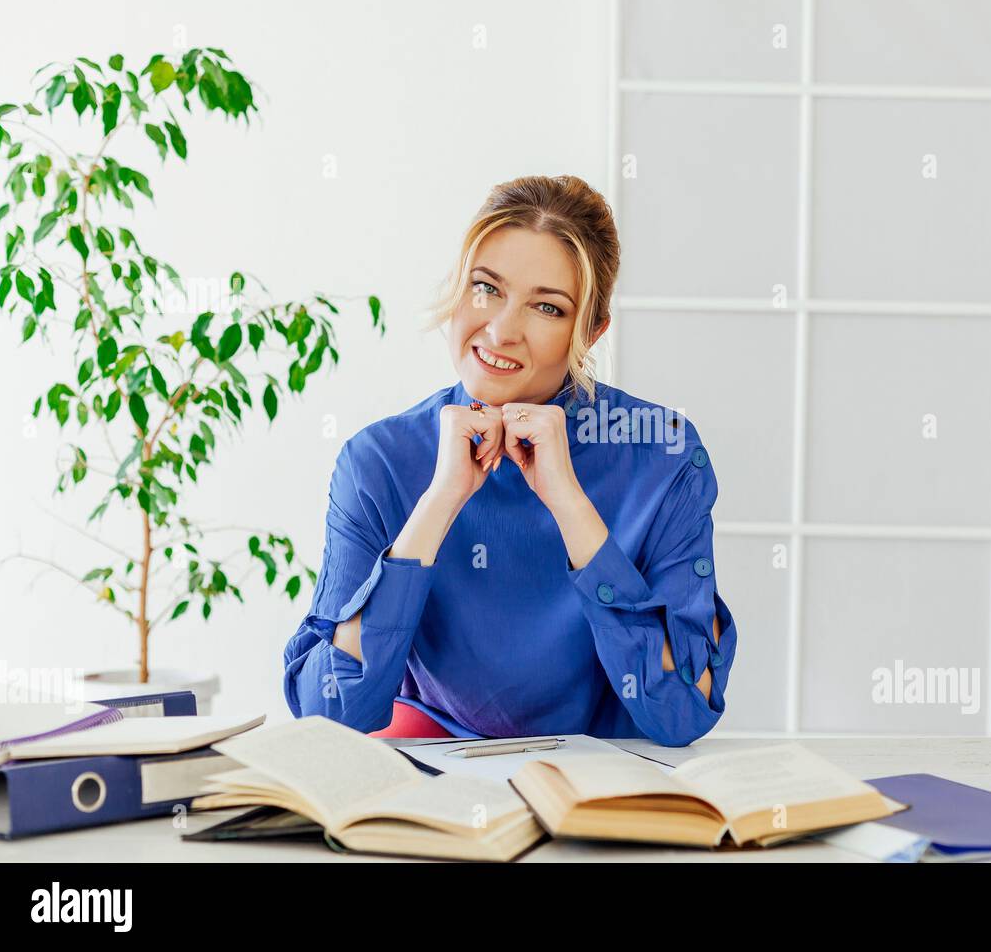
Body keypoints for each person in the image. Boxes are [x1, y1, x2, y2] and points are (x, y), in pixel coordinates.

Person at [283, 174, 737, 747]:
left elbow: (682, 711)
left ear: (591, 331)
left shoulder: (662, 454)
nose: (500, 331)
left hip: (606, 777)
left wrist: (570, 504)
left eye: (547, 307)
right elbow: (327, 715)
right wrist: (438, 502)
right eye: (485, 288)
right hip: (438, 774)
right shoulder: (378, 461)